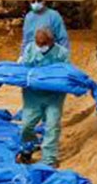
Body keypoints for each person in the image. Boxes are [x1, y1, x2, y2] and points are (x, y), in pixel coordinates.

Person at [17, 27, 71, 168]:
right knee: (27, 126)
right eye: (38, 43)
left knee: (52, 126)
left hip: (54, 96)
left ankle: (49, 158)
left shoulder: (62, 53)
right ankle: (29, 147)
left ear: (52, 41)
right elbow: (24, 69)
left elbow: (66, 73)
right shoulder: (30, 49)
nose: (41, 46)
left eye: (44, 43)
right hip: (32, 96)